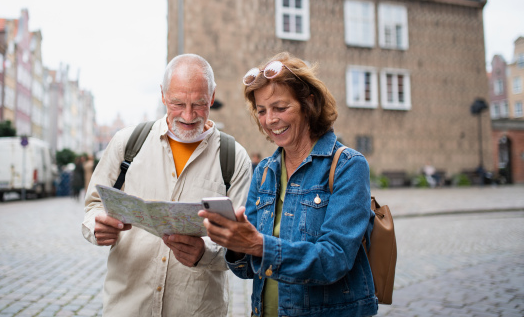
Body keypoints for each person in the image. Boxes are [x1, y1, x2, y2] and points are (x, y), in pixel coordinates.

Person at [199, 52, 378, 317]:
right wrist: (236, 244)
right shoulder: (264, 172)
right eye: (262, 111)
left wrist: (259, 245)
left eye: (280, 108)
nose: (270, 120)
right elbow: (247, 269)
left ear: (309, 103)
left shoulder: (347, 165)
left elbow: (334, 259)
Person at [82, 54, 252, 316]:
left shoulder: (233, 157)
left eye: (199, 104)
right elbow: (93, 204)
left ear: (212, 95)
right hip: (127, 306)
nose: (187, 115)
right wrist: (96, 225)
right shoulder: (127, 143)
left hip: (197, 309)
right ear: (163, 95)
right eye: (177, 103)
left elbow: (242, 242)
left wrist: (205, 253)